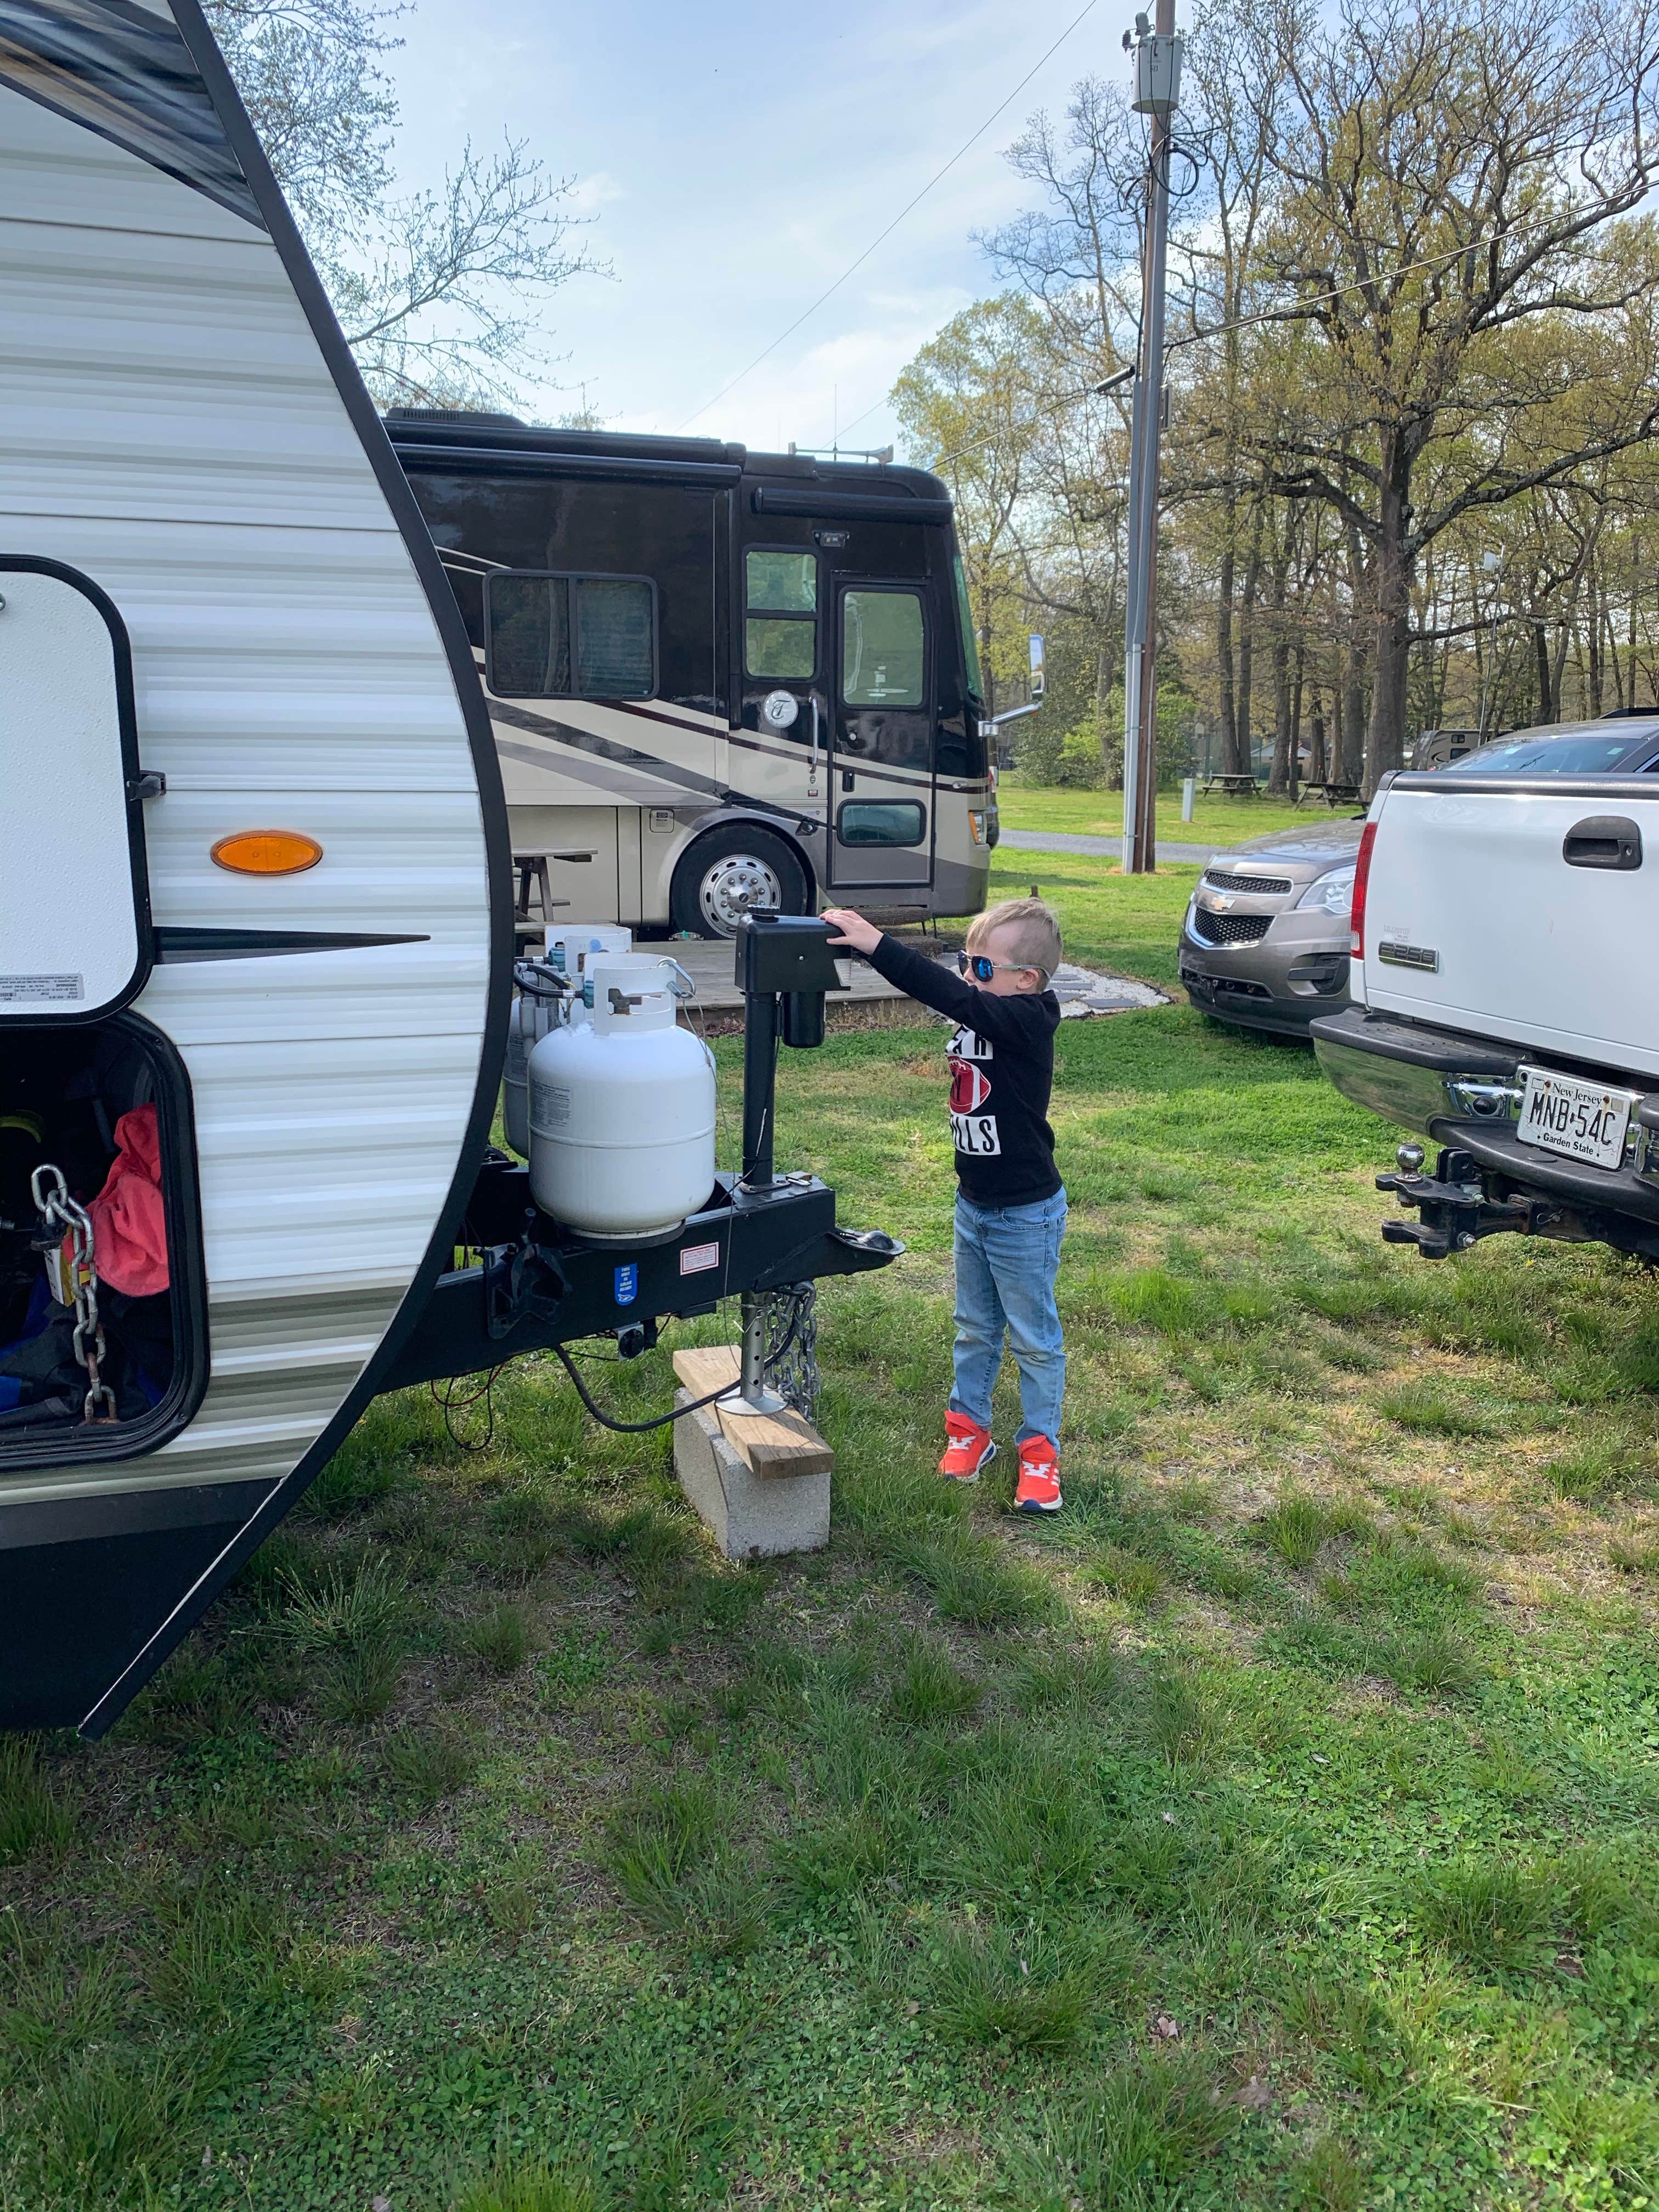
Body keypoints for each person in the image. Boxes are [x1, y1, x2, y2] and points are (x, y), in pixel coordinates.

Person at [821, 896, 1067, 1514]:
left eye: (981, 968)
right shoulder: (994, 1004)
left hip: (1025, 1213)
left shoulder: (1029, 1019)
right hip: (974, 1205)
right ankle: (969, 1430)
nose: (967, 977)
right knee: (975, 1327)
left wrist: (877, 945)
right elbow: (956, 998)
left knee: (1034, 1340)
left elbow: (947, 996)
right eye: (965, 962)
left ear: (1027, 980)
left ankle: (1040, 1452)